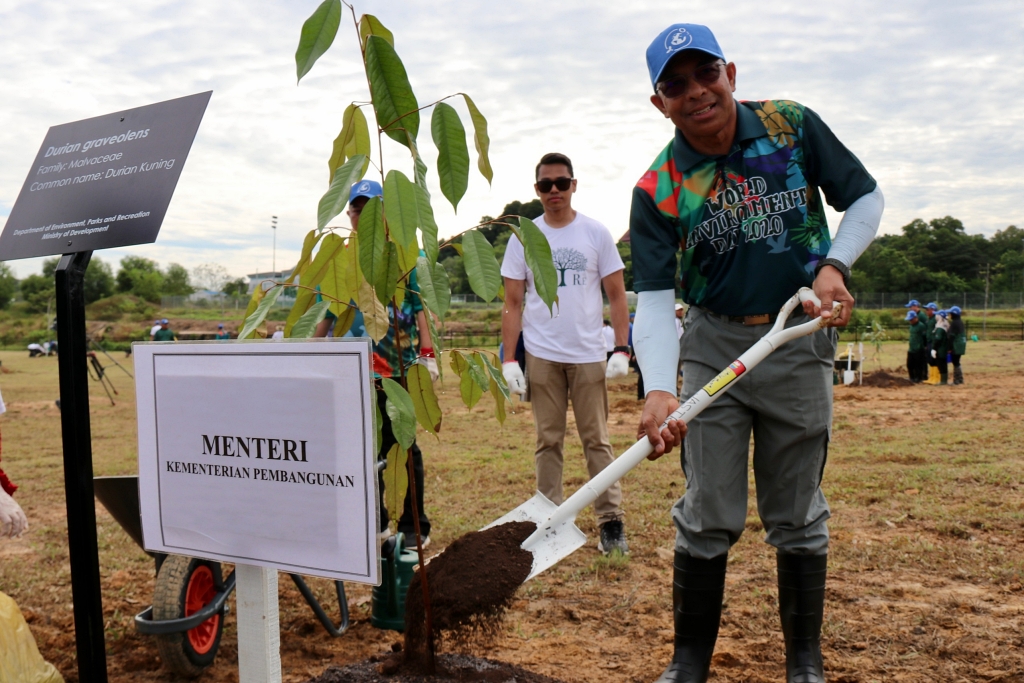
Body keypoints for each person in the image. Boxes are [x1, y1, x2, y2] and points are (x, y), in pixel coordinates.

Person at [629, 24, 883, 683]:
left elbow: (865, 196)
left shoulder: (790, 126)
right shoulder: (659, 188)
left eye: (705, 73)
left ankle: (804, 661)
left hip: (796, 335)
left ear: (730, 72)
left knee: (797, 506)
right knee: (709, 503)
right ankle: (689, 662)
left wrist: (834, 266)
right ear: (661, 103)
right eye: (675, 84)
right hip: (711, 344)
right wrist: (660, 386)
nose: (696, 91)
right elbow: (654, 299)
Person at [501, 152, 632, 556]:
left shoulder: (595, 234)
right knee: (548, 440)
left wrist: (622, 348)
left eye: (561, 183)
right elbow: (512, 302)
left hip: (588, 354)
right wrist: (509, 359)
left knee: (597, 440)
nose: (554, 191)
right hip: (542, 355)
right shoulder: (525, 237)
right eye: (545, 185)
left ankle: (611, 523)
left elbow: (615, 295)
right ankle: (549, 520)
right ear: (537, 190)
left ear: (574, 185)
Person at [314, 179, 437, 547]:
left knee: (403, 446)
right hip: (352, 374)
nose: (363, 216)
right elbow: (327, 313)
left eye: (372, 210)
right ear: (349, 215)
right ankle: (376, 525)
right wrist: (312, 349)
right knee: (361, 449)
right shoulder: (340, 262)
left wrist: (428, 357)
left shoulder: (405, 258)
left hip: (397, 371)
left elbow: (421, 312)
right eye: (357, 210)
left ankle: (416, 527)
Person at [906, 310, 928, 383]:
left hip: (919, 349)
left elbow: (925, 337)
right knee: (909, 364)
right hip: (911, 348)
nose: (910, 321)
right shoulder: (911, 326)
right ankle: (912, 377)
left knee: (918, 365)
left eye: (911, 319)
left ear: (916, 318)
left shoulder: (921, 326)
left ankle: (919, 378)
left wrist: (923, 346)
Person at [921, 302, 940, 384]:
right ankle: (931, 377)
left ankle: (936, 378)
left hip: (933, 341)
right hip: (929, 341)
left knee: (934, 359)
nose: (926, 311)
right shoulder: (929, 319)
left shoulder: (936, 319)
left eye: (927, 309)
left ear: (933, 310)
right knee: (930, 359)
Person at [931, 310, 950, 386]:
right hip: (944, 348)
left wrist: (934, 349)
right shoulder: (946, 324)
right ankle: (944, 380)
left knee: (941, 364)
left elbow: (938, 339)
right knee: (943, 364)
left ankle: (943, 380)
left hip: (940, 349)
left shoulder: (940, 327)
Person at [948, 306, 966, 385]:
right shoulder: (960, 322)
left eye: (951, 314)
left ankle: (957, 380)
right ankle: (960, 379)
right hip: (961, 344)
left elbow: (951, 336)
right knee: (957, 362)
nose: (950, 315)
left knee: (955, 362)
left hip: (956, 344)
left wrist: (950, 347)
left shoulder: (954, 323)